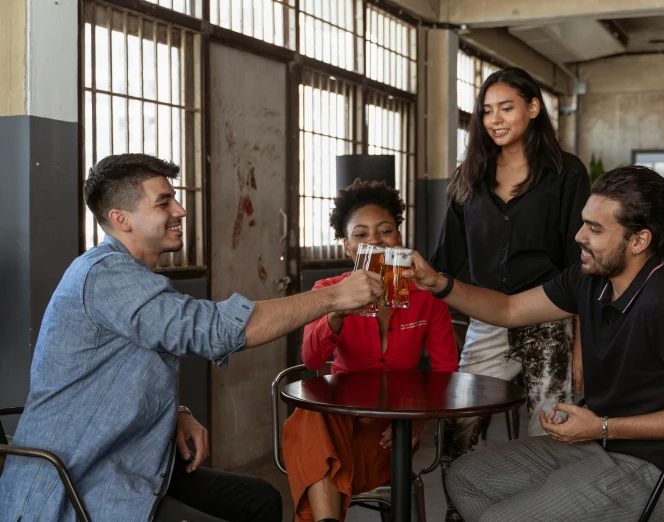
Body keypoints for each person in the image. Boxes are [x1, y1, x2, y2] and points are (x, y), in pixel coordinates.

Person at [0, 154, 383, 522]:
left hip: (131, 462)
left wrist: (176, 413)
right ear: (121, 219)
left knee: (260, 500)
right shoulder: (105, 276)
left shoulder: (132, 278)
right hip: (81, 481)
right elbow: (212, 330)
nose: (181, 210)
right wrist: (332, 296)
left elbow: (129, 364)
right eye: (164, 202)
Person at [407, 165, 664, 522]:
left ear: (639, 240)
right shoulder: (588, 280)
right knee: (464, 477)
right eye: (583, 223)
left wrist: (602, 426)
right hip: (599, 446)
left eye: (594, 229)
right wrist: (438, 283)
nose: (578, 236)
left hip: (655, 471)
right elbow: (509, 308)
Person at [429, 67, 589, 519]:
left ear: (533, 108)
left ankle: (536, 512)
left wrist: (581, 344)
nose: (494, 119)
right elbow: (447, 260)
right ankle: (460, 512)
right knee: (458, 426)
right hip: (490, 319)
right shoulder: (469, 177)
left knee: (549, 432)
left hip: (551, 319)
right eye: (485, 111)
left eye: (506, 107)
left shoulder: (565, 172)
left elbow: (581, 266)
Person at [282, 179, 458, 522]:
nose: (374, 240)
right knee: (312, 414)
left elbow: (446, 373)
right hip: (338, 419)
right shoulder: (327, 290)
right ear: (348, 247)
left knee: (311, 431)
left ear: (399, 239)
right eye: (361, 234)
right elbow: (311, 360)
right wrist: (335, 311)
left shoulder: (427, 297)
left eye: (385, 230)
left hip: (390, 432)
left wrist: (419, 422)